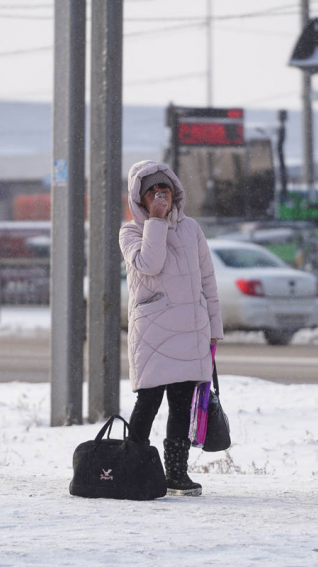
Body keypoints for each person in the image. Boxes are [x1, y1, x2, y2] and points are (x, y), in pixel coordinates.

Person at [119, 160, 223, 497]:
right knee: (148, 401)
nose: (159, 195)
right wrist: (157, 222)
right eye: (151, 191)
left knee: (181, 404)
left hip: (190, 330)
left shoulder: (192, 228)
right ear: (140, 198)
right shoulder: (131, 232)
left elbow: (208, 279)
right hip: (153, 331)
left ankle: (176, 473)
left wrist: (214, 328)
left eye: (164, 189)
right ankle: (131, 469)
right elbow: (150, 264)